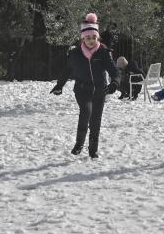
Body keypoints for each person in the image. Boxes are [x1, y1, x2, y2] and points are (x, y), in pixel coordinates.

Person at [50, 13, 120, 159]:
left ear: (97, 37)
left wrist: (114, 82)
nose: (91, 40)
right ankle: (79, 144)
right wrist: (59, 85)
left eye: (94, 37)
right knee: (86, 112)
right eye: (88, 37)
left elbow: (114, 71)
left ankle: (93, 149)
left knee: (95, 120)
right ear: (83, 38)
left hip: (100, 90)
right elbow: (67, 70)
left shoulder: (103, 52)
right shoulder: (75, 54)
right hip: (82, 90)